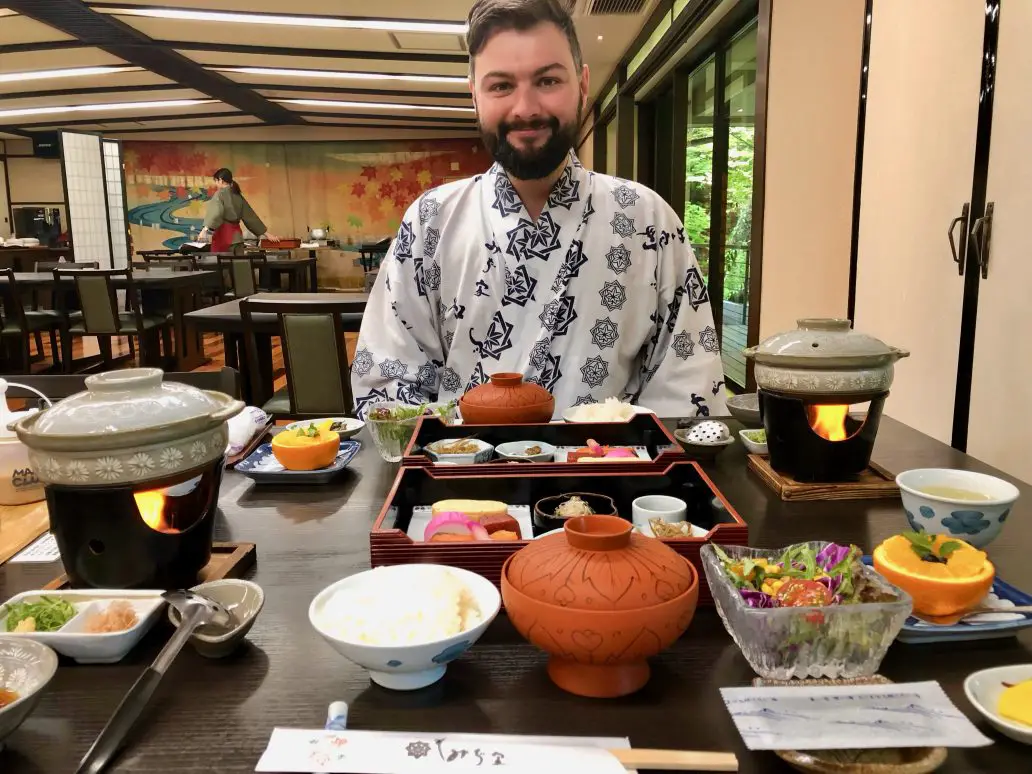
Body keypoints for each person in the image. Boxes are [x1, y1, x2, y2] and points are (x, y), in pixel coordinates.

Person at [351, 0, 728, 419]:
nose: (526, 108)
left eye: (548, 81)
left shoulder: (646, 219)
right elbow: (388, 382)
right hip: (461, 479)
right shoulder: (430, 222)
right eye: (500, 86)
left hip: (608, 476)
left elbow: (688, 384)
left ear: (583, 84)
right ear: (473, 93)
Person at [197, 168, 279, 254]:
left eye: (216, 181)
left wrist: (204, 231)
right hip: (238, 239)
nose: (216, 184)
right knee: (239, 265)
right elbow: (250, 217)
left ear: (220, 180)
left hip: (224, 238)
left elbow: (216, 213)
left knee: (223, 265)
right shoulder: (238, 195)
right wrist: (267, 234)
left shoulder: (220, 194)